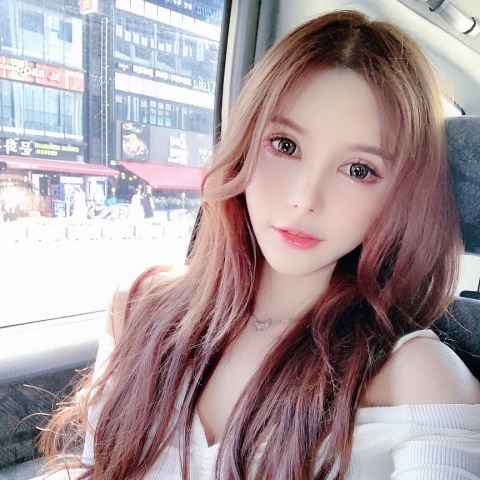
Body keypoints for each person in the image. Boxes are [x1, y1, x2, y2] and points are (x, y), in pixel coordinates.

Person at [39, 11, 480, 480]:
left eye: (358, 170)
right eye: (285, 145)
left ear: (400, 195)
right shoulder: (139, 307)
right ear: (246, 142)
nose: (304, 198)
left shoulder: (418, 378)